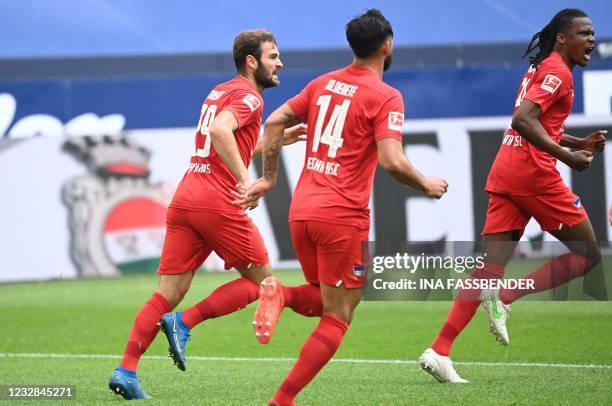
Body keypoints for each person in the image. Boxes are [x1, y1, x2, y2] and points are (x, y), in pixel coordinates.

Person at [235, 9, 448, 405]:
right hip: (342, 217)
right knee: (339, 315)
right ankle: (281, 399)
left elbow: (275, 122)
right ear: (387, 46)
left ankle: (279, 294)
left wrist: (267, 178)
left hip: (302, 210)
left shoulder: (323, 83)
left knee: (325, 299)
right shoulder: (386, 96)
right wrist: (426, 184)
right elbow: (392, 161)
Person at [108, 29, 306, 400]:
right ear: (252, 61)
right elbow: (220, 131)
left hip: (187, 196)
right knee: (263, 284)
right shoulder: (250, 96)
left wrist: (275, 141)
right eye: (273, 56)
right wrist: (248, 182)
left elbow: (227, 140)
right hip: (216, 200)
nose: (280, 63)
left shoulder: (221, 90)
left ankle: (127, 370)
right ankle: (184, 323)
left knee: (167, 292)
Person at [420, 8, 606, 383]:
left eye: (593, 33)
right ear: (562, 38)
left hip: (507, 169)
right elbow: (522, 119)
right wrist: (568, 155)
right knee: (588, 256)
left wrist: (574, 140)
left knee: (488, 269)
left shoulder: (541, 68)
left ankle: (439, 350)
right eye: (583, 33)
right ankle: (505, 297)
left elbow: (537, 121)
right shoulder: (558, 72)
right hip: (532, 174)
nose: (591, 39)